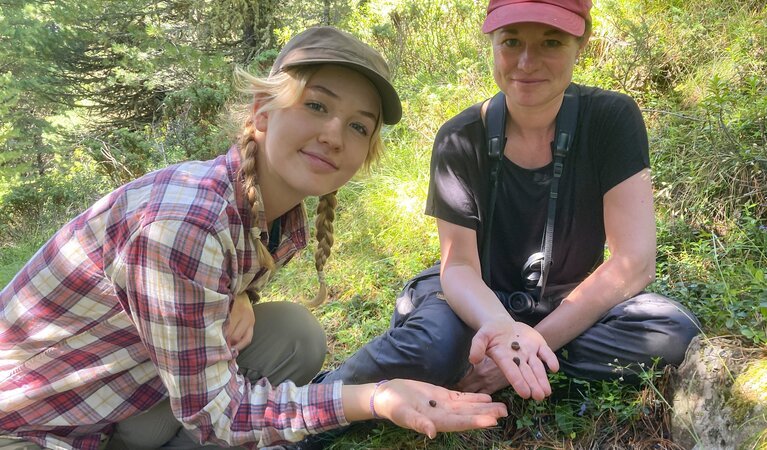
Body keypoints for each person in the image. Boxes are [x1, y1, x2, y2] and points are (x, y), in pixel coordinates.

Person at [0, 26, 508, 450]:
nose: (334, 134)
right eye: (315, 105)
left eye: (358, 126)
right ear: (262, 114)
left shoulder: (272, 214)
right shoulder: (185, 226)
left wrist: (242, 293)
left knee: (293, 332)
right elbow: (219, 416)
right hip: (34, 422)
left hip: (124, 389)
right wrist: (375, 397)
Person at [319, 0, 701, 402]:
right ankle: (308, 407)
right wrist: (503, 333)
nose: (526, 62)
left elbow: (634, 262)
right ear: (492, 43)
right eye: (512, 41)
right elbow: (461, 266)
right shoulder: (460, 138)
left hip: (565, 302)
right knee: (435, 344)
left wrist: (525, 346)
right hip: (473, 302)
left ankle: (491, 367)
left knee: (671, 332)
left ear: (581, 42)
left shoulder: (611, 118)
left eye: (551, 42)